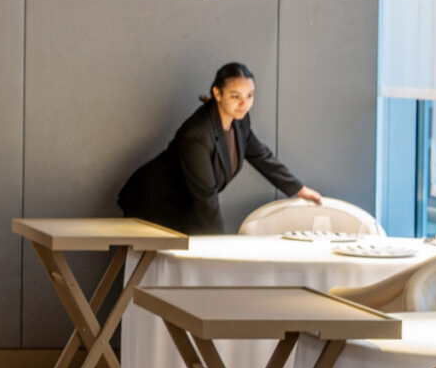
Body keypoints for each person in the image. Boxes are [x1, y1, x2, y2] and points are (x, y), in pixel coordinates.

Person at [117, 61, 323, 236]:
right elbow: (206, 197)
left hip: (187, 202)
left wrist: (298, 189)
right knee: (166, 268)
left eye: (249, 95)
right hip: (155, 202)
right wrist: (220, 244)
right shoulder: (197, 135)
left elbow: (260, 155)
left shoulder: (239, 120)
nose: (244, 103)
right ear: (217, 93)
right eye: (235, 96)